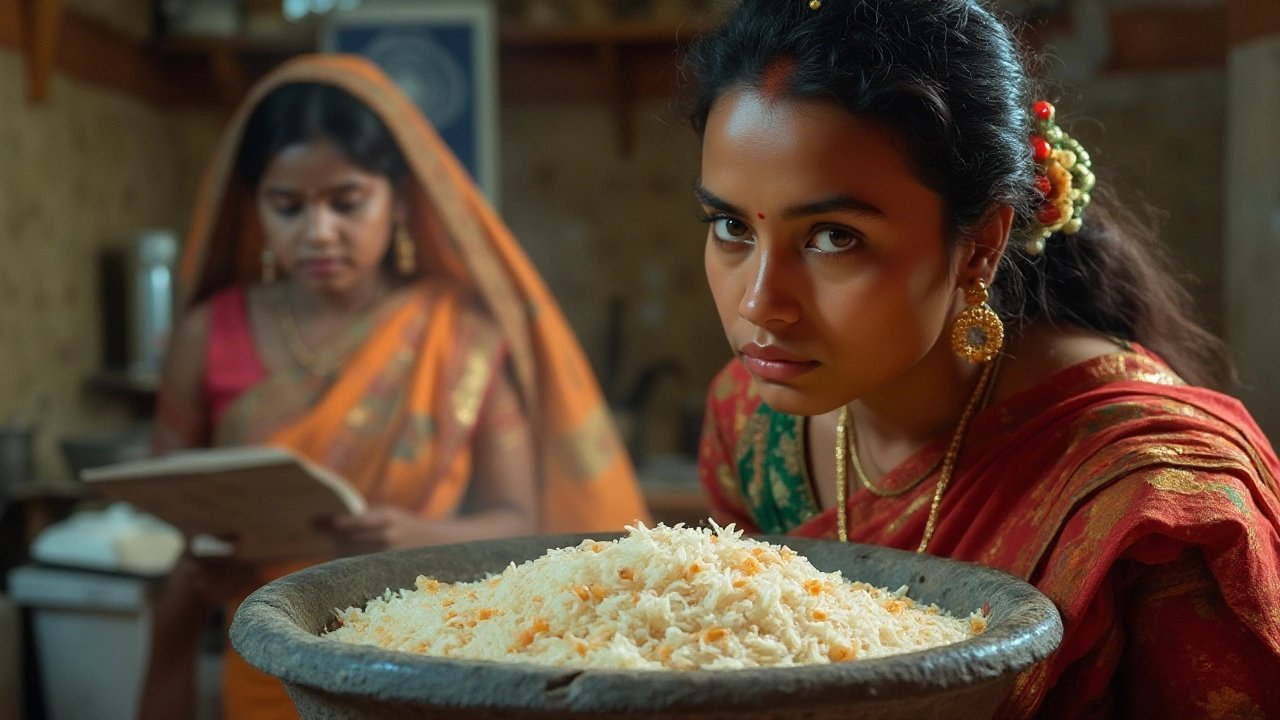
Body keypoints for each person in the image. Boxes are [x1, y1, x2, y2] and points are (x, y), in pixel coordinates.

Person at [688, 0, 1280, 716]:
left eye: (833, 237)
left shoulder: (1152, 501)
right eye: (730, 227)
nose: (759, 304)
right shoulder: (749, 423)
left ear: (980, 246)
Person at [139, 54, 650, 720]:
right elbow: (171, 495)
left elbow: (518, 522)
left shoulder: (459, 337)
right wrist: (207, 558)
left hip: (423, 662)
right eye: (288, 206)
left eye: (346, 202)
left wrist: (412, 535)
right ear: (255, 205)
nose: (319, 231)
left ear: (399, 201)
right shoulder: (207, 334)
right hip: (268, 658)